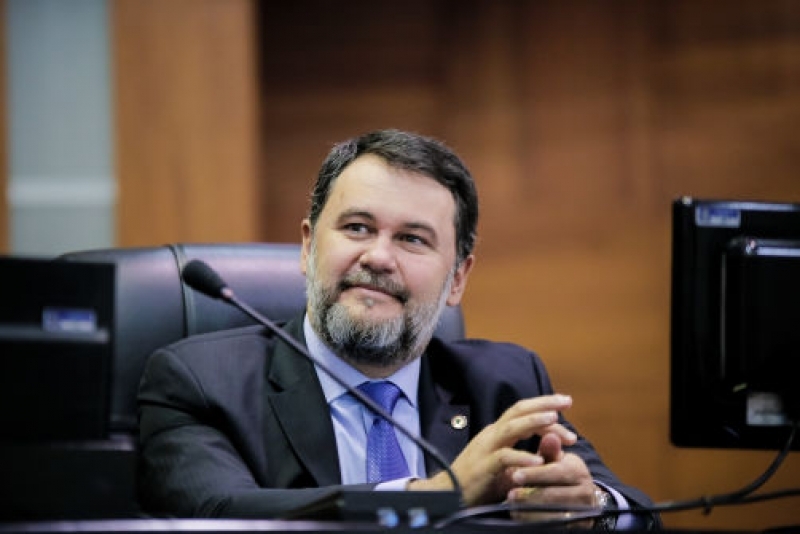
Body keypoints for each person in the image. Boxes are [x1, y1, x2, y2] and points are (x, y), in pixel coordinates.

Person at [137, 129, 658, 529]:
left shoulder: (503, 384)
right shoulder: (202, 383)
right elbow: (218, 515)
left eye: (412, 239)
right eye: (357, 228)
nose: (379, 257)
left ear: (458, 279)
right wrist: (440, 494)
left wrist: (590, 507)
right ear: (308, 246)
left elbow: (639, 513)